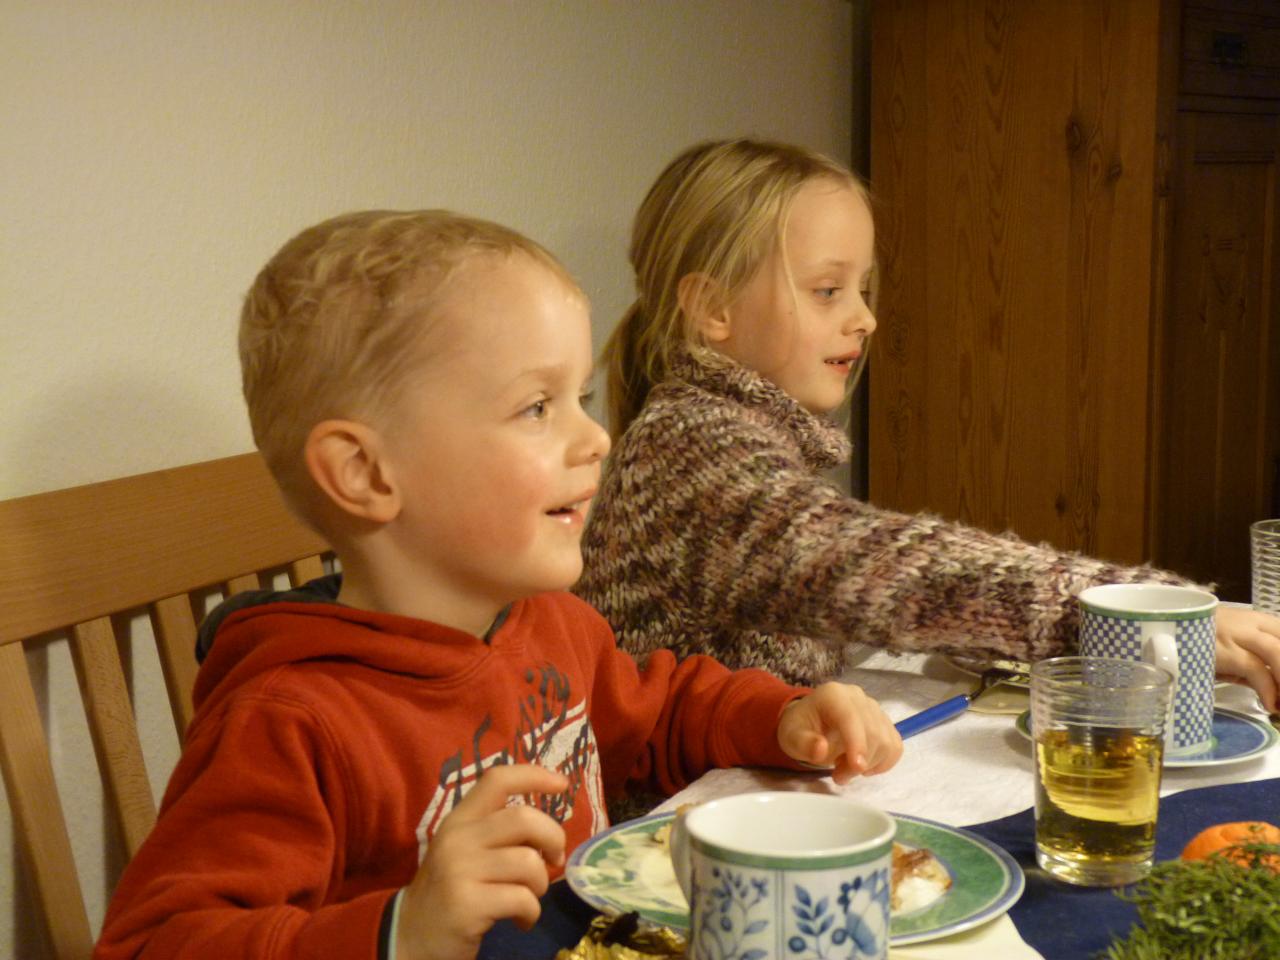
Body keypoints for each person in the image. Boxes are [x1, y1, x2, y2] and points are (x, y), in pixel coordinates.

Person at [92, 210, 902, 960]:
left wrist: (781, 718)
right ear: (366, 473)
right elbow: (150, 943)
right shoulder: (290, 721)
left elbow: (660, 714)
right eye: (537, 407)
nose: (596, 437)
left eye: (580, 398)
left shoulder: (551, 625)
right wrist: (401, 930)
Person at [575, 137, 1280, 707]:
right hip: (685, 823)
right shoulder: (692, 445)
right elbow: (879, 568)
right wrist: (1127, 613)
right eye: (828, 290)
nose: (865, 317)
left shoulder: (726, 433)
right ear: (713, 309)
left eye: (863, 289)